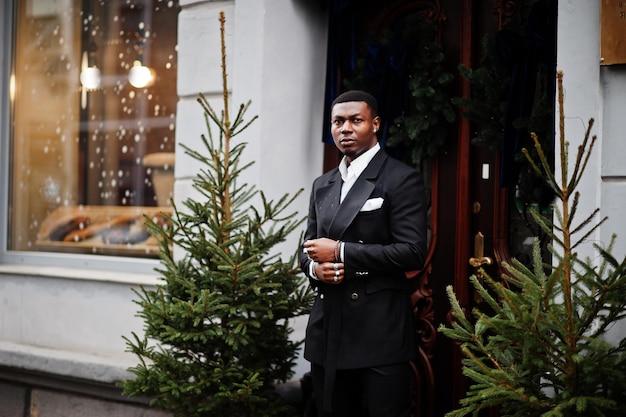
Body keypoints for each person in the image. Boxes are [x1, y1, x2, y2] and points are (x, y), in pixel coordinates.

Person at [300, 90, 428, 417]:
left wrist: (341, 251)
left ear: (375, 124)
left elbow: (412, 252)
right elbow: (307, 249)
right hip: (329, 326)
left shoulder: (402, 179)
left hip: (379, 330)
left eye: (356, 120)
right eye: (338, 121)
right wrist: (317, 270)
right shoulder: (322, 184)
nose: (346, 128)